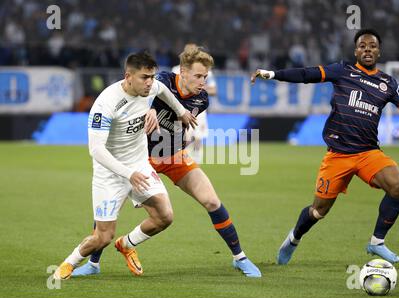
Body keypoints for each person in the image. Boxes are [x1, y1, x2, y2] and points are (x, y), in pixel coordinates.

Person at [72, 44, 261, 278]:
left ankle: (239, 258)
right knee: (111, 208)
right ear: (182, 71)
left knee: (212, 201)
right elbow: (144, 94)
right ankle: (93, 263)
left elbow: (180, 125)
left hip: (173, 155)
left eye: (205, 76)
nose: (203, 82)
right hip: (141, 158)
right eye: (199, 76)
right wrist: (149, 109)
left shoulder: (202, 99)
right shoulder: (160, 80)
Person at [251, 29, 399, 265]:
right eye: (362, 46)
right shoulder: (342, 70)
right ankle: (294, 238)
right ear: (356, 51)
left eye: (372, 46)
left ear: (379, 51)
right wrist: (272, 74)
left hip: (368, 153)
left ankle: (377, 242)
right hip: (338, 155)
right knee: (318, 211)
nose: (367, 49)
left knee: (398, 185)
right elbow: (306, 74)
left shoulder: (388, 83)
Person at [53, 51, 197, 280]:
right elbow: (96, 150)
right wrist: (127, 174)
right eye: (144, 77)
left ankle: (127, 244)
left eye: (152, 76)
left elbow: (165, 92)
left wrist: (182, 112)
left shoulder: (151, 87)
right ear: (128, 76)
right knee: (102, 237)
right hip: (110, 173)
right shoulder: (106, 103)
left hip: (138, 165)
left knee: (165, 216)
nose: (150, 83)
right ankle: (69, 263)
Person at [171, 44, 218, 164]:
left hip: (198, 110)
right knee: (184, 137)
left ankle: (196, 161)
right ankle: (179, 158)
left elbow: (214, 90)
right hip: (181, 109)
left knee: (198, 137)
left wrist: (199, 87)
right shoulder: (175, 70)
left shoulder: (205, 70)